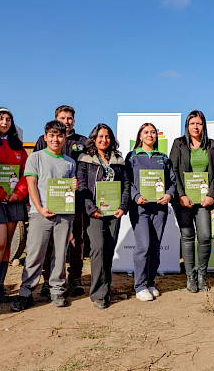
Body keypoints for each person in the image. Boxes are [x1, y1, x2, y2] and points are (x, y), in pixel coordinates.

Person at [11, 120, 77, 311]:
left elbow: (69, 191)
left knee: (60, 254)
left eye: (59, 135)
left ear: (65, 137)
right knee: (34, 253)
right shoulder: (36, 158)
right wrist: (39, 209)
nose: (55, 139)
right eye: (52, 135)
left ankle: (57, 290)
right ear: (45, 137)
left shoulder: (70, 162)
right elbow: (31, 185)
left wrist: (74, 187)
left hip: (64, 215)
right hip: (40, 214)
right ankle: (26, 292)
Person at [34, 106, 87, 298]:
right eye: (63, 118)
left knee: (77, 241)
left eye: (70, 118)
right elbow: (38, 168)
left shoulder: (83, 142)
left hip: (76, 200)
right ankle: (48, 280)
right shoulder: (43, 139)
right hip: (51, 199)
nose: (67, 121)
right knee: (49, 242)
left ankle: (75, 279)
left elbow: (86, 169)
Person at [77, 124, 130, 309]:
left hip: (114, 212)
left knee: (108, 250)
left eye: (107, 137)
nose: (104, 140)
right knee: (98, 249)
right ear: (93, 138)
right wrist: (91, 209)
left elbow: (126, 185)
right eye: (100, 136)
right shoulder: (85, 160)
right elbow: (82, 187)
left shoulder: (118, 160)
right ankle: (98, 294)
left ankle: (106, 290)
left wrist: (123, 206)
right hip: (95, 213)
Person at [125, 123, 176, 301]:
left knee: (154, 247)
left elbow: (172, 183)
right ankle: (139, 286)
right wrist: (136, 196)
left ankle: (150, 282)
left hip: (159, 208)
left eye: (153, 132)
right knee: (144, 246)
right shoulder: (132, 157)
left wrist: (169, 195)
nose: (150, 135)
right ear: (139, 136)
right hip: (140, 208)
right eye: (146, 132)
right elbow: (127, 182)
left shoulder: (163, 158)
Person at [169, 110, 214, 292]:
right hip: (184, 200)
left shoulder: (212, 145)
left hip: (204, 200)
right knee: (188, 235)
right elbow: (173, 170)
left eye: (198, 123)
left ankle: (202, 274)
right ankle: (190, 276)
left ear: (203, 125)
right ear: (187, 126)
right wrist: (181, 195)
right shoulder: (179, 143)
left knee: (205, 236)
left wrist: (211, 194)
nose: (195, 127)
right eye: (192, 123)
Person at [0, 107, 28, 306]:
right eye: (1, 119)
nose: (4, 122)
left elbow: (27, 173)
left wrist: (18, 193)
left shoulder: (17, 146)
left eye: (8, 119)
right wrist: (0, 193)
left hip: (13, 200)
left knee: (9, 245)